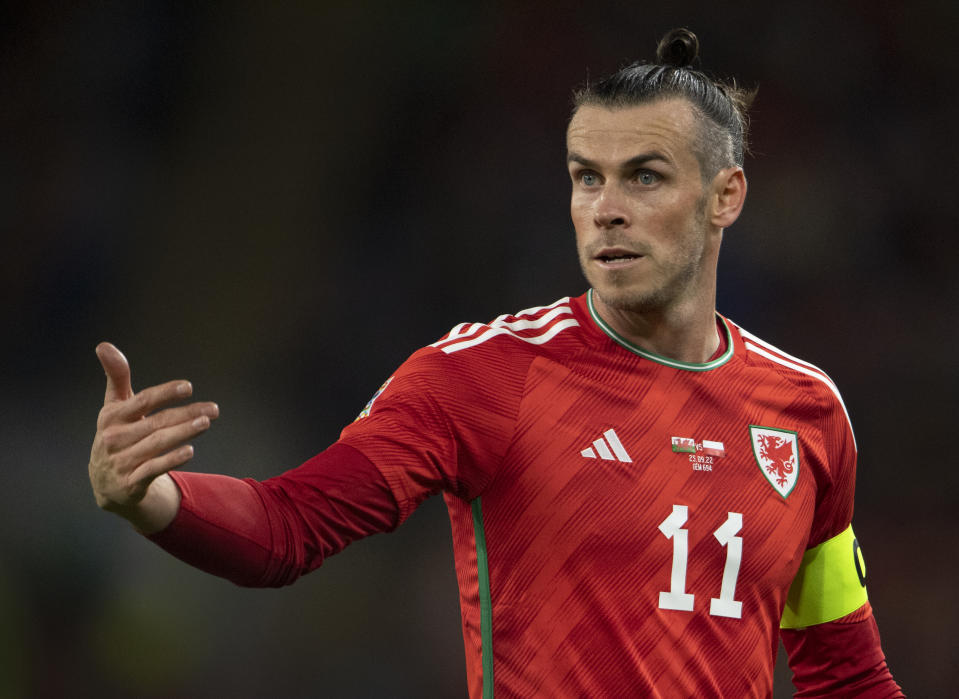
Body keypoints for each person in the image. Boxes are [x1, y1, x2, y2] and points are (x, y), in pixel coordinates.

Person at [89, 28, 902, 698]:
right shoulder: (486, 375)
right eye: (586, 177)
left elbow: (844, 672)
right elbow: (286, 528)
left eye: (644, 176)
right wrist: (152, 499)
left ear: (725, 195)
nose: (605, 209)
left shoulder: (805, 411)